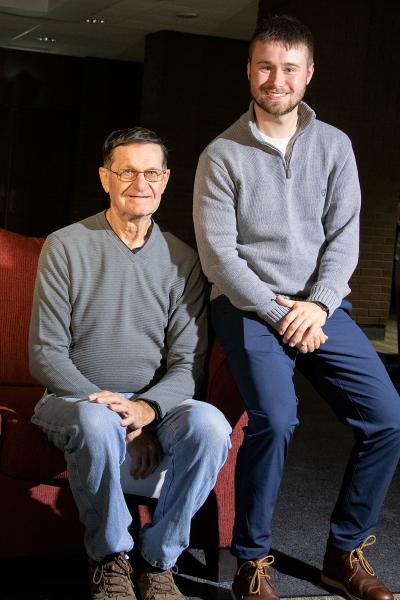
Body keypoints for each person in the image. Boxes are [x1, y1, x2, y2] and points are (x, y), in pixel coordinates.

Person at [193, 14, 400, 600]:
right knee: (277, 419)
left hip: (321, 307)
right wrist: (279, 311)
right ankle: (252, 562)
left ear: (308, 75)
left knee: (388, 418)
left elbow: (344, 237)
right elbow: (220, 258)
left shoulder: (335, 146)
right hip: (248, 305)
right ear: (249, 71)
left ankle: (344, 551)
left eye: (288, 68)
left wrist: (318, 304)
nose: (275, 78)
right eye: (265, 66)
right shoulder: (222, 155)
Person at [29, 126, 231, 600]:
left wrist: (147, 412)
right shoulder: (65, 246)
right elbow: (45, 354)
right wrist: (124, 415)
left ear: (165, 181)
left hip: (152, 405)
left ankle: (159, 561)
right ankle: (109, 558)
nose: (139, 184)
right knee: (96, 422)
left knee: (211, 425)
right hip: (74, 400)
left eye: (151, 173)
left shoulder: (183, 260)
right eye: (126, 172)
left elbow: (187, 365)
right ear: (105, 178)